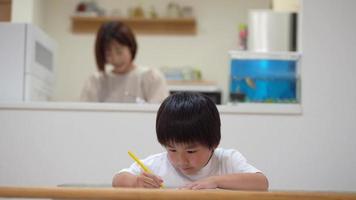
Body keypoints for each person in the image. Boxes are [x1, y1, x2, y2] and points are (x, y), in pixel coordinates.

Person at [112, 92, 269, 190]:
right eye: (172, 150)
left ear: (214, 143)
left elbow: (261, 182)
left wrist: (215, 181)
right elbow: (117, 180)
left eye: (191, 151)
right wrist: (136, 182)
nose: (181, 160)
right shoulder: (155, 166)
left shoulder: (227, 161)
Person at [80, 21, 169, 103]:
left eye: (119, 51)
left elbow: (161, 115)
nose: (115, 59)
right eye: (108, 54)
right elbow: (84, 114)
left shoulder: (151, 77)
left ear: (131, 47)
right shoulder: (96, 82)